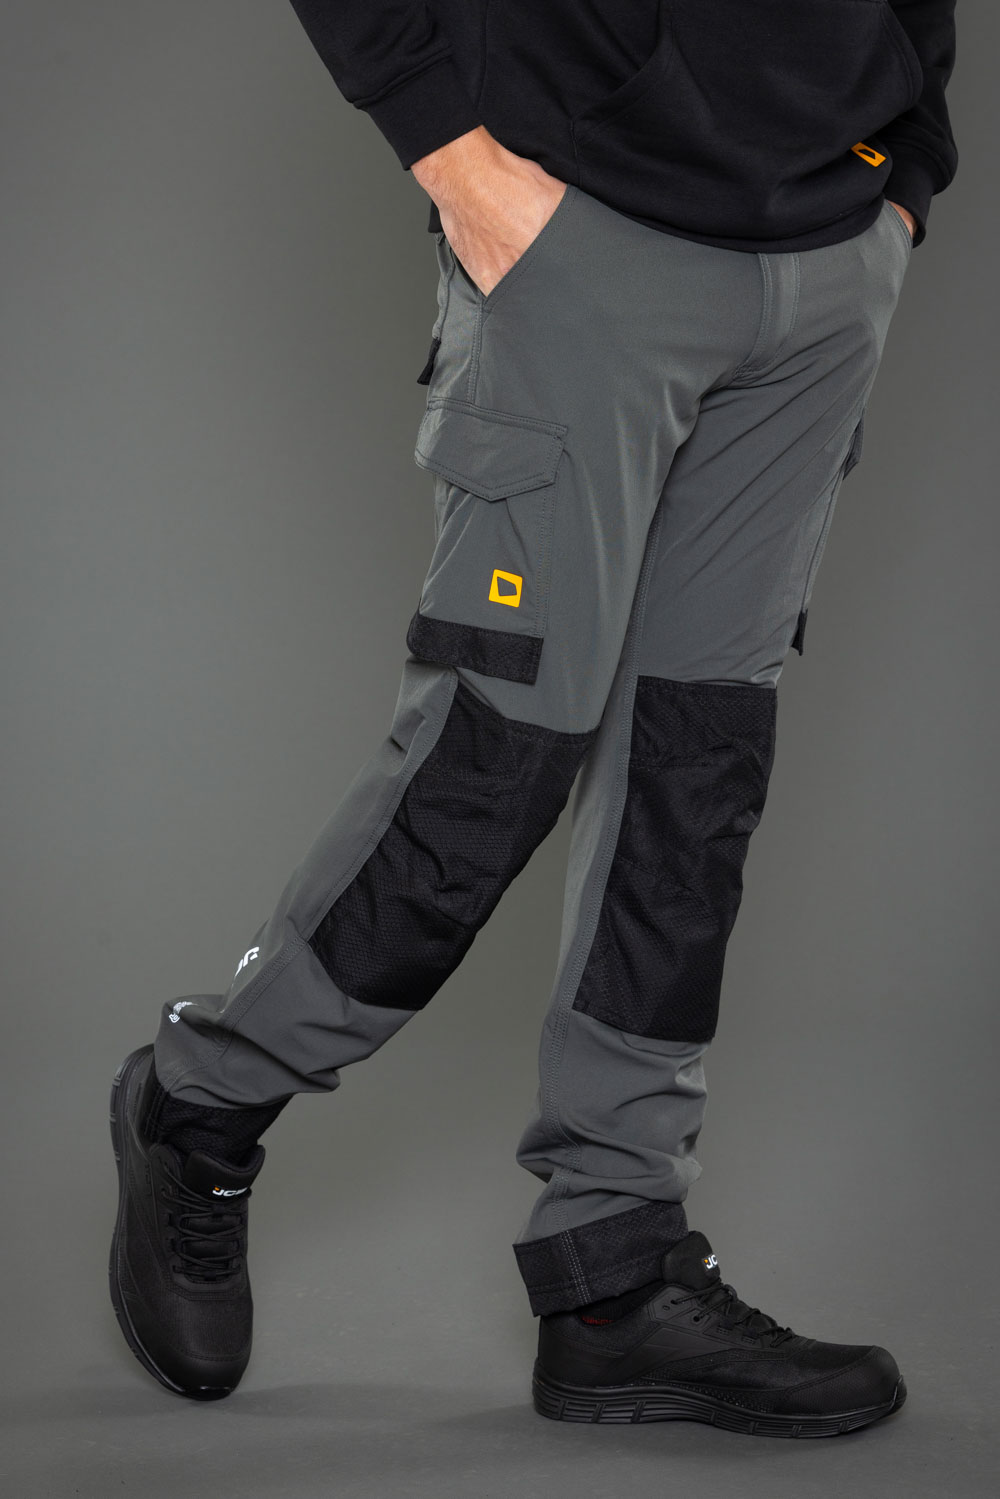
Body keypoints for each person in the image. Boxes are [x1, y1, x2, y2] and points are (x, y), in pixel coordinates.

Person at [108, 0, 958, 1432]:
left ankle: (614, 1272)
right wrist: (453, 155)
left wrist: (910, 159)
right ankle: (199, 1108)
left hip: (829, 254)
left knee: (696, 773)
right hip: (585, 232)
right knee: (493, 761)